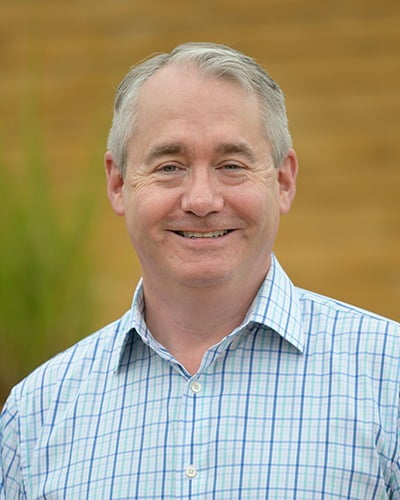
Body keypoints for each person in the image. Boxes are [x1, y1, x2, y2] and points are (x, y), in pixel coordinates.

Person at [1, 42, 399, 499]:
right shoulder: (34, 416)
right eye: (170, 167)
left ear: (283, 181)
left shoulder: (390, 382)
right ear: (117, 184)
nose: (202, 201)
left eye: (232, 165)